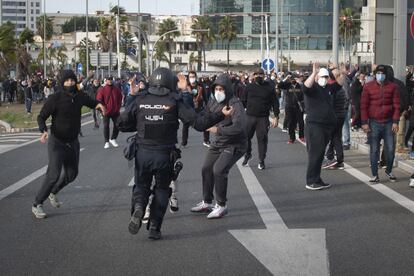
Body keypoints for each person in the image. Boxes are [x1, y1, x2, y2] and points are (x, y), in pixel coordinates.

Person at [117, 67, 233, 240]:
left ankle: (140, 206)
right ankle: (155, 228)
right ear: (171, 82)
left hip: (143, 153)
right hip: (164, 154)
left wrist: (134, 100)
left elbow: (122, 123)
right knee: (162, 190)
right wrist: (219, 115)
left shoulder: (140, 99)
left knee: (141, 186)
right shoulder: (174, 100)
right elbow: (198, 123)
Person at [32, 69, 106, 219]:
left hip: (72, 142)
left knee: (72, 175)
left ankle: (53, 192)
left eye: (72, 80)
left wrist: (99, 105)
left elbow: (91, 102)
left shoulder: (79, 96)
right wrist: (43, 130)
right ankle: (37, 204)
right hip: (57, 142)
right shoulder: (55, 98)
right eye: (67, 81)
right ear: (62, 82)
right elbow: (41, 116)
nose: (70, 83)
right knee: (53, 175)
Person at [190, 73, 247, 219]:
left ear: (228, 89)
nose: (218, 92)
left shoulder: (235, 104)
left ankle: (221, 205)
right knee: (206, 169)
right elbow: (205, 116)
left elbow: (240, 127)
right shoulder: (213, 102)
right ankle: (207, 202)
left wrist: (218, 130)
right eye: (217, 89)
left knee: (219, 170)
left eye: (222, 89)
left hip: (235, 144)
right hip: (219, 143)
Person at [303, 62, 346, 191]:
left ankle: (317, 179)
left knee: (320, 154)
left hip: (326, 126)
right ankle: (311, 181)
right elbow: (305, 87)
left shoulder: (327, 89)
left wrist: (343, 73)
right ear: (317, 77)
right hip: (315, 126)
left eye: (326, 77)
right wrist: (314, 72)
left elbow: (338, 84)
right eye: (322, 77)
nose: (324, 79)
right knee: (315, 154)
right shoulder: (312, 88)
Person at [361, 65, 400, 183]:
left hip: (389, 122)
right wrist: (364, 122)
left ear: (386, 75)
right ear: (375, 74)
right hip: (373, 123)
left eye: (382, 73)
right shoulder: (368, 87)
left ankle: (389, 170)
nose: (380, 75)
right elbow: (363, 106)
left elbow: (396, 105)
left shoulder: (393, 87)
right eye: (378, 73)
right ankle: (374, 174)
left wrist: (395, 121)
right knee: (374, 150)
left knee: (390, 148)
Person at [241, 68, 279, 170]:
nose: (258, 76)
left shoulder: (269, 87)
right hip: (249, 116)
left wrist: (276, 116)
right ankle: (248, 154)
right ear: (253, 76)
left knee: (262, 139)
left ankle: (261, 160)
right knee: (246, 138)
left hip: (263, 118)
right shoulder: (249, 87)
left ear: (264, 75)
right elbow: (243, 101)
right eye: (256, 74)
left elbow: (275, 102)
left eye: (261, 74)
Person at [96, 76, 123, 149]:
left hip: (115, 111)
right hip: (106, 111)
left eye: (111, 80)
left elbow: (120, 98)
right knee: (106, 126)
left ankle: (113, 139)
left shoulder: (116, 89)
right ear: (106, 81)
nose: (110, 81)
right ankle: (106, 142)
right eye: (108, 80)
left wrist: (118, 107)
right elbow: (99, 100)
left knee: (118, 125)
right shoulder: (102, 89)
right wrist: (102, 109)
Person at [278, 73, 305, 144]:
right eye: (292, 79)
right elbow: (279, 85)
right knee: (291, 123)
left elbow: (304, 96)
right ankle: (291, 138)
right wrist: (286, 78)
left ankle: (301, 136)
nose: (293, 80)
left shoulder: (301, 86)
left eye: (295, 79)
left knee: (301, 122)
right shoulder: (287, 85)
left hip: (299, 107)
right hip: (289, 107)